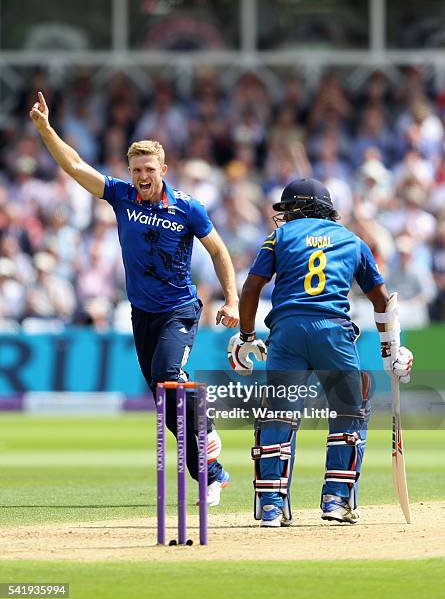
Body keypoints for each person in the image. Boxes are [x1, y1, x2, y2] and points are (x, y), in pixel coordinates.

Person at [30, 91, 239, 505]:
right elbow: (74, 166)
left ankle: (208, 427)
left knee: (169, 376)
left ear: (163, 169)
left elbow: (218, 250)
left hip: (179, 310)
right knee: (166, 403)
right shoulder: (123, 196)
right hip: (141, 314)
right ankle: (213, 475)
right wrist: (46, 129)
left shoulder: (187, 208)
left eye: (149, 169)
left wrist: (230, 300)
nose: (142, 176)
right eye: (136, 169)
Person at [228, 178, 413, 526]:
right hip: (333, 332)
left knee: (279, 415)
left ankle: (271, 506)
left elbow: (252, 286)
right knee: (350, 412)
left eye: (288, 209)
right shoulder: (354, 241)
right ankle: (336, 502)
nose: (283, 217)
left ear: (303, 207)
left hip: (287, 333)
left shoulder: (279, 237)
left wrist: (247, 335)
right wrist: (392, 349)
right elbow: (382, 300)